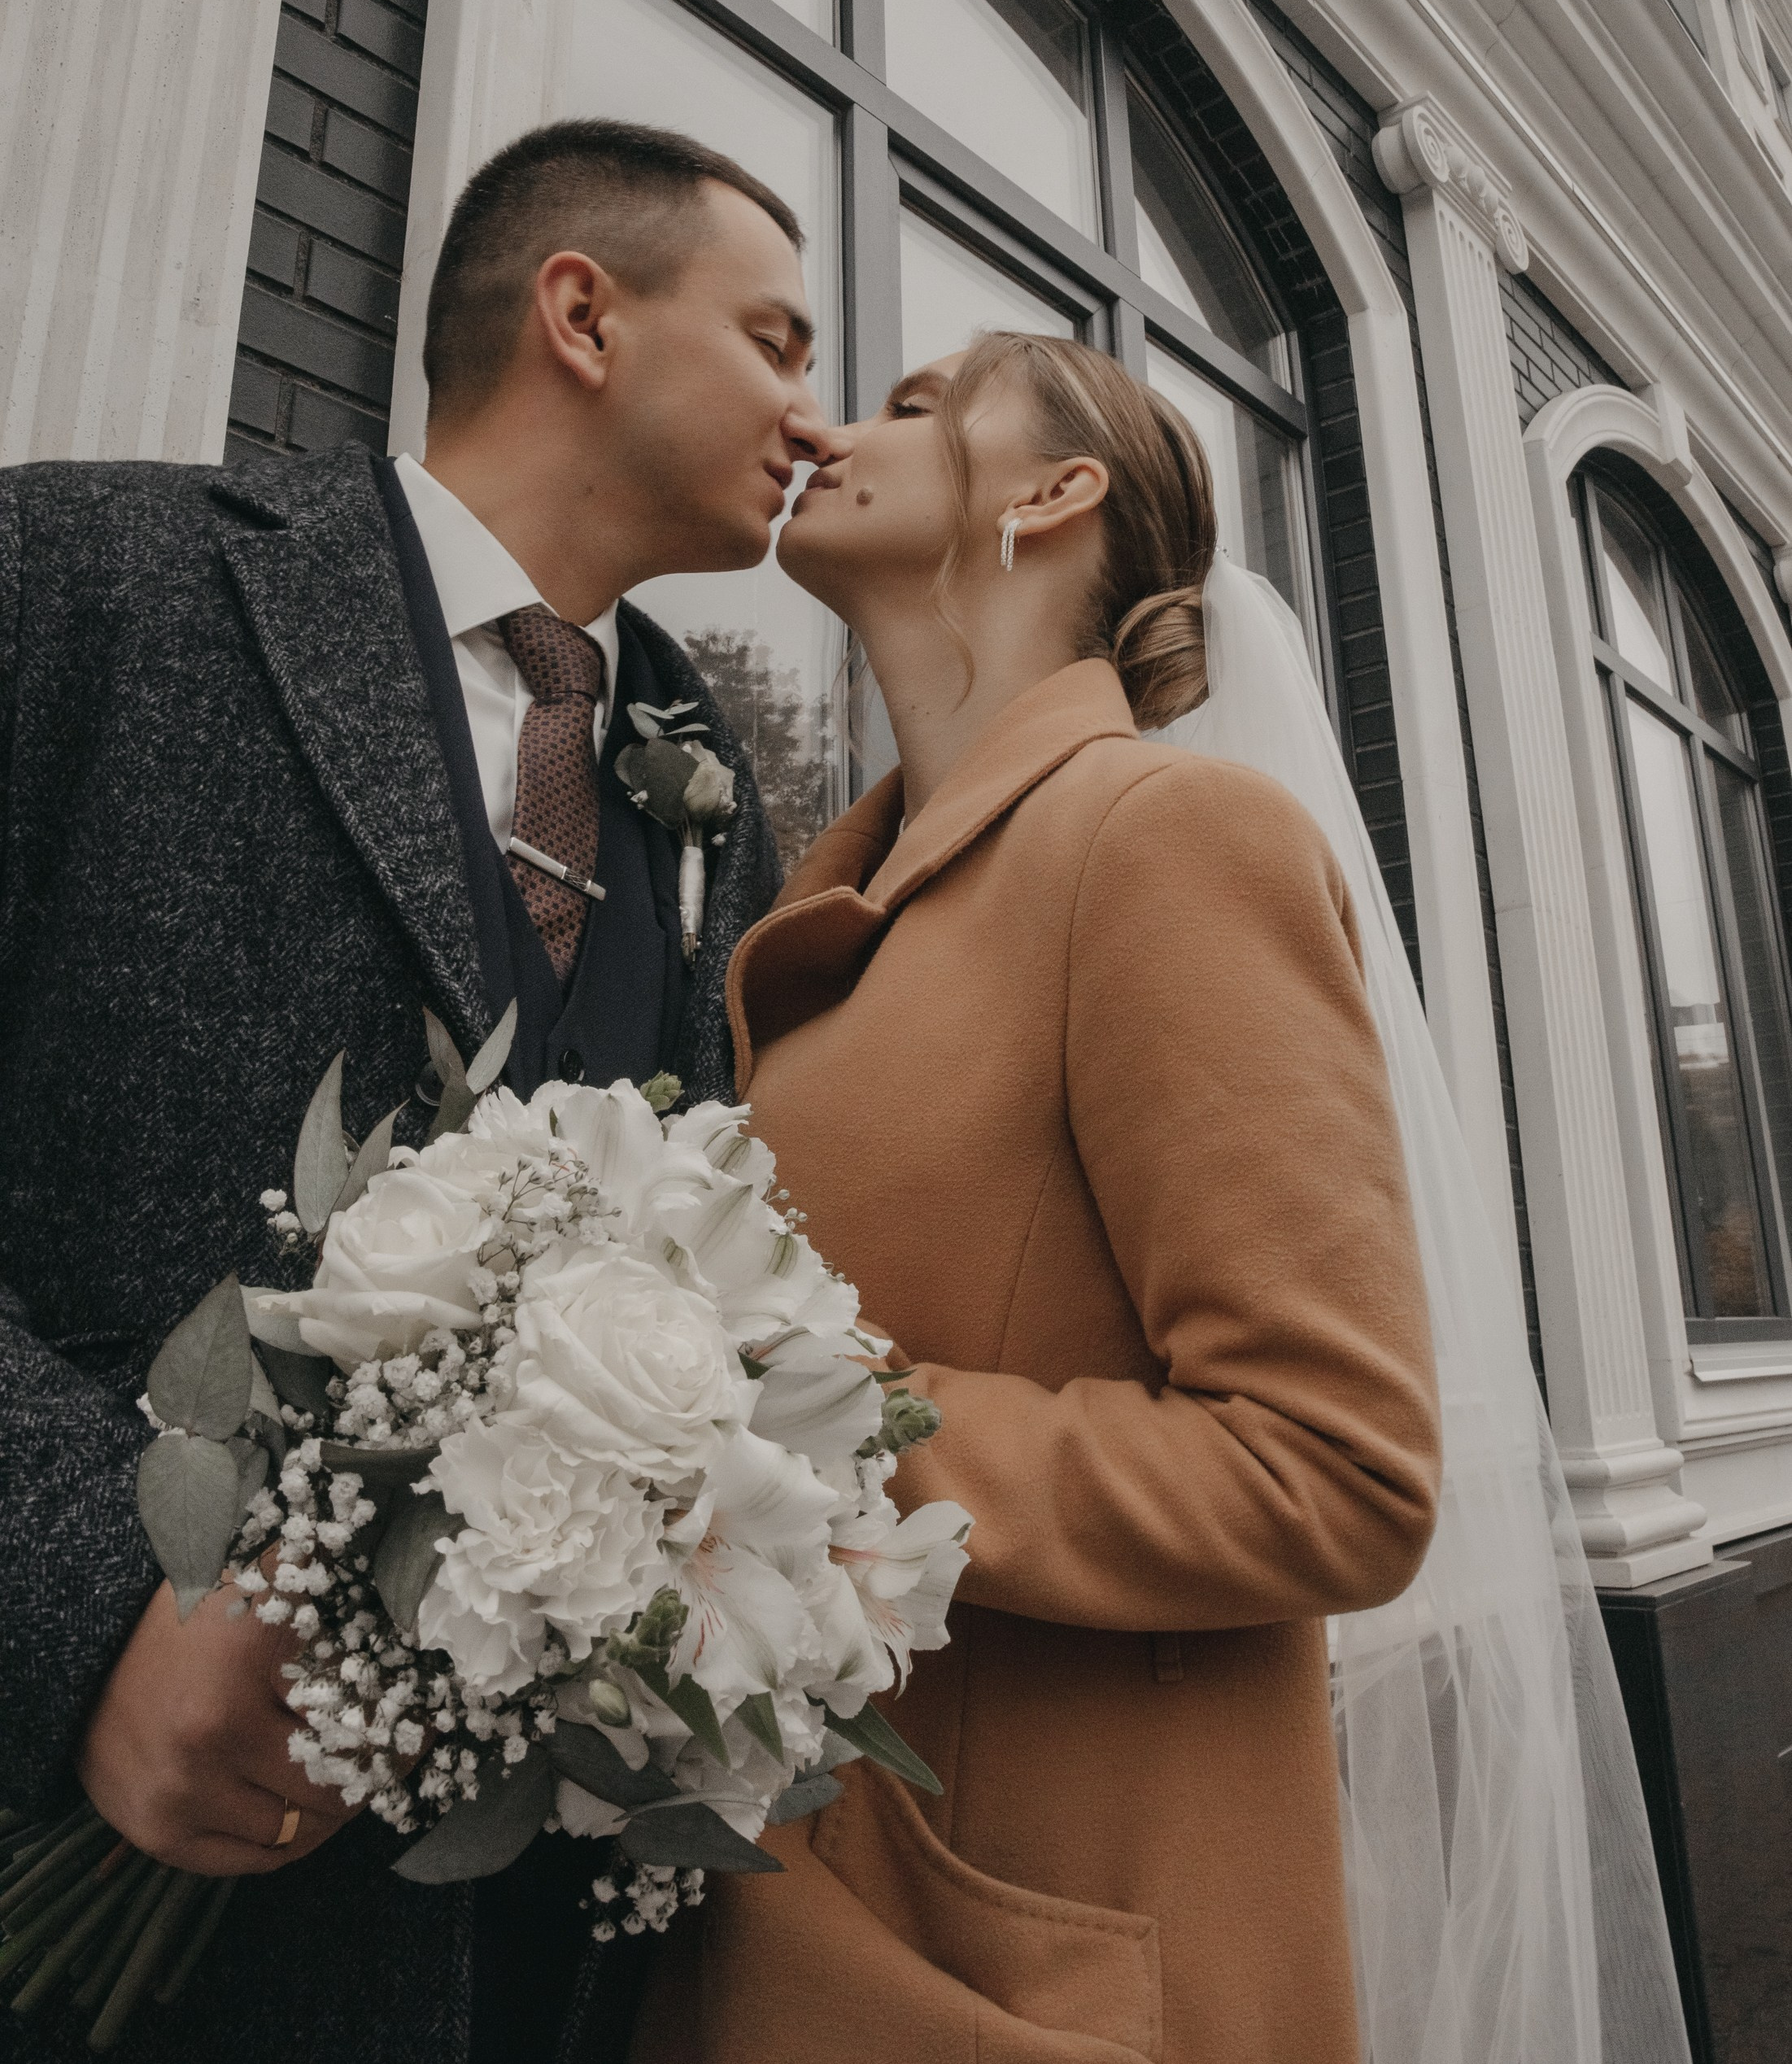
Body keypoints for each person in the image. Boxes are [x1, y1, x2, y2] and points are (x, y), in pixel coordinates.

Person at [0, 118, 831, 2064]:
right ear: (582, 317)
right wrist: (74, 1605)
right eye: (777, 340)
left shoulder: (711, 801)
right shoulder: (83, 577)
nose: (815, 415)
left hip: (522, 1961)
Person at [633, 332, 1445, 2064]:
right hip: (786, 1908)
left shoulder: (1167, 835)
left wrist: (776, 1433)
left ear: (1055, 495)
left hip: (1033, 1953)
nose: (830, 428)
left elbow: (1338, 1472)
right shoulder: (841, 903)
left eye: (915, 406)